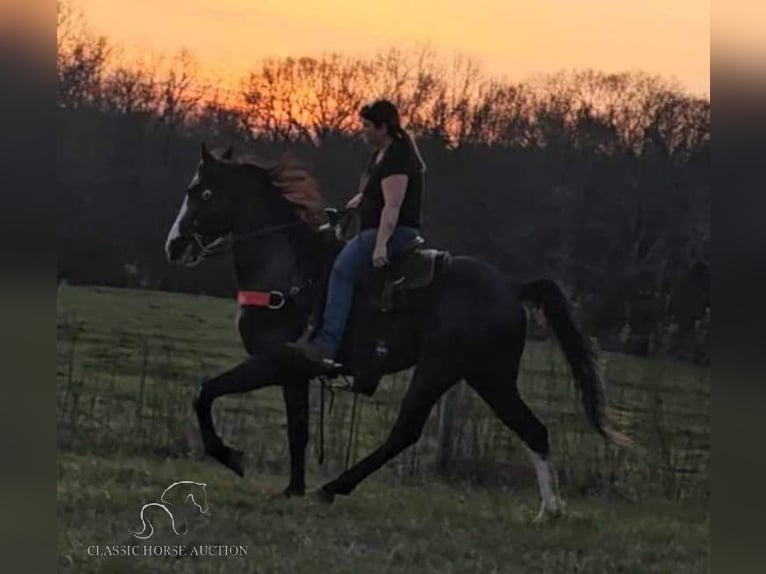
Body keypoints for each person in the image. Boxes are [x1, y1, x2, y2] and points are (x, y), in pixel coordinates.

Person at [288, 99, 426, 367]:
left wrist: (381, 246)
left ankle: (327, 345)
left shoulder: (398, 158)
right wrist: (360, 199)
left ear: (383, 128)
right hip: (375, 228)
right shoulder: (380, 155)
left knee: (342, 270)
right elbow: (376, 192)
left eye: (366, 126)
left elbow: (393, 206)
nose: (362, 130)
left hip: (396, 231)